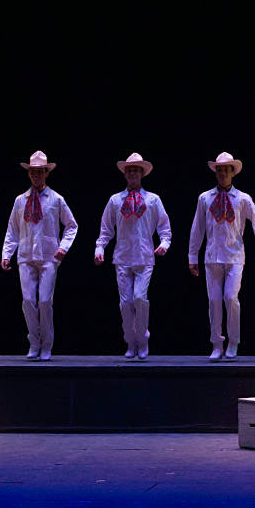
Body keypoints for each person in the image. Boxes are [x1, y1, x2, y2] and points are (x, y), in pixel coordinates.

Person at [188, 152, 255, 359]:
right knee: (214, 300)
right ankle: (217, 343)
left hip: (234, 256)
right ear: (215, 172)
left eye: (226, 169)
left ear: (233, 172)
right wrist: (192, 256)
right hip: (212, 256)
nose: (223, 173)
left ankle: (233, 341)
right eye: (219, 170)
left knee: (230, 297)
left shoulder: (242, 198)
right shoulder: (205, 198)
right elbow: (197, 228)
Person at [2, 151, 78, 360]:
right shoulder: (20, 200)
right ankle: (34, 342)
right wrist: (7, 253)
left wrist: (63, 247)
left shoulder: (56, 199)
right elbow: (12, 229)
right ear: (29, 174)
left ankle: (47, 345)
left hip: (48, 257)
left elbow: (71, 226)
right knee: (28, 301)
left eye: (40, 172)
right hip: (26, 255)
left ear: (46, 173)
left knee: (44, 301)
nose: (37, 176)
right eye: (33, 172)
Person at [95, 153, 172, 360]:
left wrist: (164, 243)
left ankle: (143, 338)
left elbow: (164, 227)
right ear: (125, 173)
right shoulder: (115, 200)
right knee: (126, 303)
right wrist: (100, 248)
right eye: (129, 170)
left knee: (139, 298)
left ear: (142, 173)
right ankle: (130, 340)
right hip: (122, 257)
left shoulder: (152, 199)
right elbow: (106, 229)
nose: (132, 173)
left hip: (145, 256)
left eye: (136, 170)